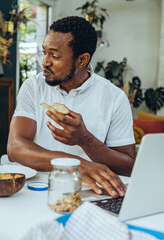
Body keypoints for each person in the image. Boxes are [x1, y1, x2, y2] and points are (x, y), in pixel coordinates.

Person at [7, 16, 135, 197]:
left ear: (82, 60)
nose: (45, 62)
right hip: (35, 192)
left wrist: (85, 139)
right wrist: (75, 164)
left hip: (90, 195)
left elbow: (128, 167)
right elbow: (15, 147)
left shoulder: (114, 98)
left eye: (55, 56)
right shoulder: (33, 87)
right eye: (44, 52)